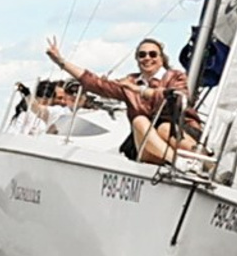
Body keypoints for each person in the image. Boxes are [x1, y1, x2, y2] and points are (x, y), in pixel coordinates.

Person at [43, 36, 191, 166]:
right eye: (142, 55)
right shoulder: (130, 82)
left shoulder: (176, 77)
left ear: (162, 59)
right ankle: (178, 162)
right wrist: (61, 62)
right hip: (147, 147)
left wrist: (139, 90)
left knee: (165, 128)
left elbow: (178, 97)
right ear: (137, 59)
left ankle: (200, 163)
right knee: (139, 121)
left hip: (177, 137)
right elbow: (95, 83)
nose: (147, 58)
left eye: (153, 54)